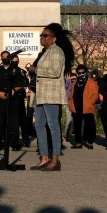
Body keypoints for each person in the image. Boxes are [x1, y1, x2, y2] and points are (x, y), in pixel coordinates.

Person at [26, 22, 72, 171]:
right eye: (41, 35)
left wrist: (36, 69)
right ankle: (44, 157)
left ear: (54, 39)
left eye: (45, 36)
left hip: (51, 95)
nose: (42, 38)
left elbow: (55, 72)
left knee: (53, 125)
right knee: (39, 125)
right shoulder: (45, 53)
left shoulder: (57, 51)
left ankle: (55, 159)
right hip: (40, 94)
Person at [68, 63, 99, 149]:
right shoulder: (75, 83)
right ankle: (78, 142)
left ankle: (90, 141)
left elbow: (95, 94)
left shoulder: (91, 82)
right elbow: (71, 93)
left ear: (86, 72)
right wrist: (70, 102)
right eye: (79, 73)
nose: (81, 74)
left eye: (82, 72)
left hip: (87, 106)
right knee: (77, 125)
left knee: (89, 124)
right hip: (76, 106)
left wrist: (91, 102)